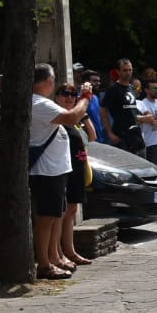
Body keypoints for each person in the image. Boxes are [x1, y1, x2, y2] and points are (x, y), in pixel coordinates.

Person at [31, 62, 89, 278]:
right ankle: (44, 264)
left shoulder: (41, 103)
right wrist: (85, 98)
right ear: (47, 81)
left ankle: (54, 257)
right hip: (46, 171)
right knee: (46, 218)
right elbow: (72, 116)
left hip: (55, 171)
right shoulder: (39, 103)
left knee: (56, 216)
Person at [54, 83, 96, 269]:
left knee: (71, 211)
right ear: (57, 96)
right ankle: (59, 253)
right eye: (65, 94)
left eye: (73, 94)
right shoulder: (60, 116)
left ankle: (70, 251)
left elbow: (93, 135)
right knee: (61, 214)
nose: (69, 97)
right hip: (65, 169)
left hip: (78, 167)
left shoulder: (77, 118)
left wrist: (84, 114)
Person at [99, 58, 143, 154]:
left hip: (135, 134)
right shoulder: (113, 89)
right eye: (125, 70)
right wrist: (110, 133)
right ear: (118, 72)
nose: (128, 73)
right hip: (121, 135)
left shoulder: (132, 88)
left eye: (130, 70)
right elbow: (103, 110)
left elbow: (131, 112)